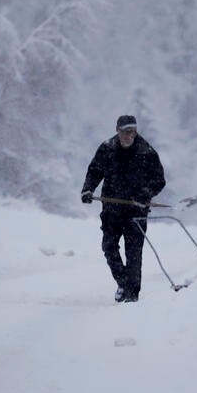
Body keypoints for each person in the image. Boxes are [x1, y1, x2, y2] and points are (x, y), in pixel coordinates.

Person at [81, 115, 166, 303]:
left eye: (133, 132)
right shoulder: (106, 149)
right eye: (126, 132)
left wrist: (146, 193)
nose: (130, 136)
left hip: (136, 212)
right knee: (109, 247)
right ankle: (123, 283)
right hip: (111, 211)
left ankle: (132, 296)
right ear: (117, 130)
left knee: (134, 253)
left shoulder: (146, 151)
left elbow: (159, 180)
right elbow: (95, 171)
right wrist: (88, 189)